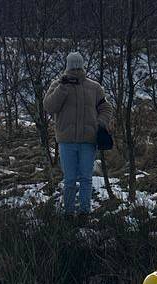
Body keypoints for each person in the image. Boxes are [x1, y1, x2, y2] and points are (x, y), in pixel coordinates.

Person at [43, 52, 113, 215]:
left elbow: (106, 108)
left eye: (77, 66)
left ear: (82, 66)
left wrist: (99, 123)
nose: (75, 69)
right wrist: (63, 87)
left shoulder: (94, 87)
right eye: (72, 66)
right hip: (66, 141)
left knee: (86, 179)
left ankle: (84, 213)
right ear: (67, 66)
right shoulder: (58, 85)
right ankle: (68, 213)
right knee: (70, 180)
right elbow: (49, 107)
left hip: (88, 141)